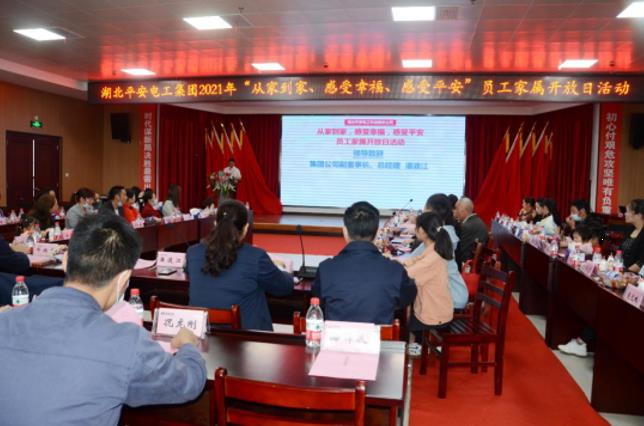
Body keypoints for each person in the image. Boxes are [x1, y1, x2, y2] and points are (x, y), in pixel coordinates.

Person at [0, 214, 207, 425]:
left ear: (65, 261)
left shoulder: (5, 321)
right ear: (124, 279)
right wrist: (188, 346)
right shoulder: (125, 342)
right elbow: (187, 382)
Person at [187, 200, 293, 331]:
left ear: (215, 224)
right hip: (246, 339)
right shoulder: (256, 257)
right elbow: (283, 287)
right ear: (246, 228)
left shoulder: (193, 253)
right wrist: (285, 272)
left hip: (203, 336)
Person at [313, 201, 416, 324]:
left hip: (337, 336)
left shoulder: (325, 269)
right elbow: (407, 297)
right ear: (377, 233)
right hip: (379, 336)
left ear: (345, 232)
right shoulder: (395, 270)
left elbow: (319, 303)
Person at [402, 212, 454, 355]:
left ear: (421, 231)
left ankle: (427, 346)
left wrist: (392, 266)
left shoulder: (433, 258)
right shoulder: (433, 249)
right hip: (434, 305)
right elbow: (416, 261)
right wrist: (398, 262)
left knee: (403, 303)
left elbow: (408, 274)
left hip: (435, 312)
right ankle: (422, 343)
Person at [411, 194, 469, 310]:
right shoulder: (444, 231)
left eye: (424, 212)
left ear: (432, 213)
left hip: (452, 295)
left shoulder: (439, 236)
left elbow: (412, 261)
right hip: (454, 291)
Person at [454, 197, 489, 264]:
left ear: (462, 210)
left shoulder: (466, 226)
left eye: (456, 209)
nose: (455, 212)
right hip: (477, 263)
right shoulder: (478, 221)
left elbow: (461, 253)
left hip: (467, 264)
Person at [622, 199, 644, 273]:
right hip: (622, 270)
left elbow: (640, 263)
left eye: (628, 211)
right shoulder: (629, 229)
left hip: (635, 275)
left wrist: (624, 272)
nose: (625, 214)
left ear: (639, 215)